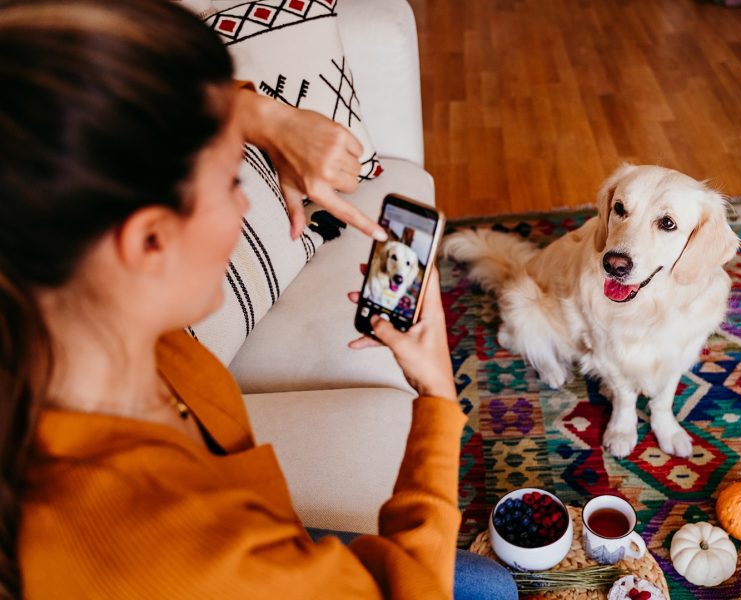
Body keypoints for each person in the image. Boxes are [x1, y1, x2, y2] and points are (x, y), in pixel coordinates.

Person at [0, 1, 517, 598]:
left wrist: (266, 119)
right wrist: (435, 393)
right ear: (147, 239)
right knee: (490, 590)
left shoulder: (70, 315)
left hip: (256, 530)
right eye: (230, 181)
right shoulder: (190, 556)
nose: (248, 206)